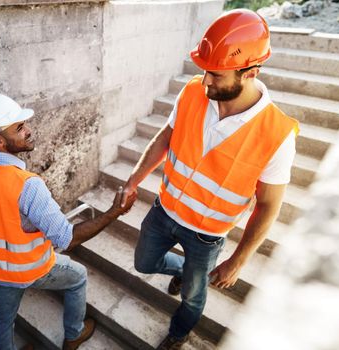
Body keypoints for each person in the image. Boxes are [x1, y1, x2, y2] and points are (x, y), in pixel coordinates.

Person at [119, 9, 299, 350]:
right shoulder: (191, 93)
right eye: (204, 72)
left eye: (215, 75)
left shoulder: (277, 134)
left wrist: (239, 260)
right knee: (144, 263)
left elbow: (269, 205)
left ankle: (179, 331)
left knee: (192, 297)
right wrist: (132, 180)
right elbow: (164, 138)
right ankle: (182, 270)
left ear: (251, 72)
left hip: (207, 236)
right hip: (164, 212)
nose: (205, 82)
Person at [0, 93, 136, 350]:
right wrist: (113, 212)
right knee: (78, 277)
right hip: (30, 269)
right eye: (19, 128)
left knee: (2, 321)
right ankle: (74, 334)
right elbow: (67, 238)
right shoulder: (28, 186)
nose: (29, 131)